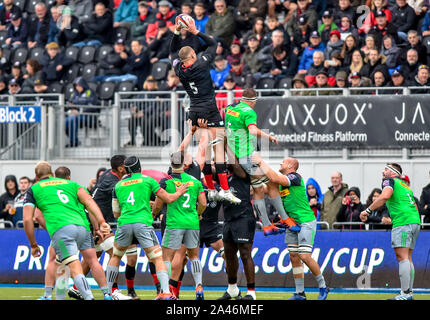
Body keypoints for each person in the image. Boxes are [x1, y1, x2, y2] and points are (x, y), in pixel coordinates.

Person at [170, 16, 240, 204]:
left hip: (194, 111)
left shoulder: (179, 70)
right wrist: (195, 32)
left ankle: (210, 189)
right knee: (217, 150)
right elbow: (213, 43)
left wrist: (177, 32)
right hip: (209, 108)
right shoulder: (201, 64)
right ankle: (224, 189)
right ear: (192, 56)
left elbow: (171, 53)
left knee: (205, 149)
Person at [23, 161, 113, 300]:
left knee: (61, 262)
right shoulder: (73, 185)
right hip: (83, 227)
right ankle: (107, 294)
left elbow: (33, 217)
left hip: (61, 229)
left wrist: (37, 242)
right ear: (52, 174)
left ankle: (51, 295)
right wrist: (100, 223)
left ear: (36, 176)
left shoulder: (35, 189)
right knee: (92, 261)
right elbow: (89, 203)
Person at [106, 156, 186, 300]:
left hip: (124, 223)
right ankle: (166, 292)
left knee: (116, 256)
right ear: (139, 167)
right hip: (142, 223)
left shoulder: (118, 186)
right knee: (157, 258)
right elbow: (168, 198)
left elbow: (116, 213)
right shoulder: (148, 180)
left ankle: (108, 293)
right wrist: (179, 192)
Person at [252, 155, 330, 300]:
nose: (281, 162)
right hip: (292, 223)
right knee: (294, 256)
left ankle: (323, 286)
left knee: (304, 256)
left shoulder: (295, 177)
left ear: (290, 166)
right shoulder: (280, 184)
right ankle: (300, 293)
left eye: (283, 161)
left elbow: (275, 179)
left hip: (306, 221)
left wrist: (261, 162)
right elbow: (262, 188)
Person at [224, 88, 300, 236]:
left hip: (235, 156)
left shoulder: (230, 108)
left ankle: (266, 225)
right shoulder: (249, 112)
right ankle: (285, 219)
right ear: (254, 101)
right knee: (272, 183)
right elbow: (252, 131)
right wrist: (268, 136)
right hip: (247, 156)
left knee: (258, 189)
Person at [360, 163, 421, 300]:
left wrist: (367, 211)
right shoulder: (405, 186)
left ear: (393, 172)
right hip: (414, 221)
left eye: (386, 169)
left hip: (403, 221)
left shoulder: (389, 181)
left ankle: (405, 294)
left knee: (402, 257)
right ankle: (408, 293)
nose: (383, 171)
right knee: (408, 257)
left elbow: (385, 196)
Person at [151, 152, 206, 299]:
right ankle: (199, 286)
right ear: (184, 164)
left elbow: (158, 205)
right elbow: (203, 203)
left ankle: (165, 291)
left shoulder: (165, 182)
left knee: (166, 258)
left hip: (174, 223)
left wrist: (154, 213)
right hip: (192, 223)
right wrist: (199, 213)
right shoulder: (195, 181)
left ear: (171, 163)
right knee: (194, 257)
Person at [217, 162, 257, 300]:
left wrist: (226, 143)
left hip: (244, 217)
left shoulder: (243, 174)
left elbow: (234, 161)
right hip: (228, 219)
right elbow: (212, 166)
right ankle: (232, 289)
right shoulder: (224, 177)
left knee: (245, 254)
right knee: (229, 255)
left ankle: (251, 292)